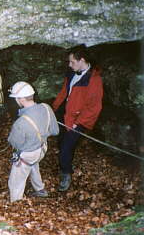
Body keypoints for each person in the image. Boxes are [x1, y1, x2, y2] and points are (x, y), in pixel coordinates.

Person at [52, 46, 103, 192]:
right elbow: (64, 92)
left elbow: (94, 107)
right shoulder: (72, 73)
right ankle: (66, 160)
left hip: (78, 119)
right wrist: (55, 107)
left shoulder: (94, 81)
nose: (69, 65)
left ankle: (66, 173)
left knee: (66, 148)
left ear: (82, 61)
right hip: (66, 112)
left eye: (72, 62)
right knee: (61, 142)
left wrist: (78, 123)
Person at [7, 81, 59, 202]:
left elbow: (15, 143)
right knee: (33, 164)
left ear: (21, 99)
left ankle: (15, 205)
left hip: (28, 154)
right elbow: (55, 131)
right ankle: (40, 190)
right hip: (42, 149)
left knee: (15, 182)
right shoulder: (46, 108)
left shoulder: (21, 123)